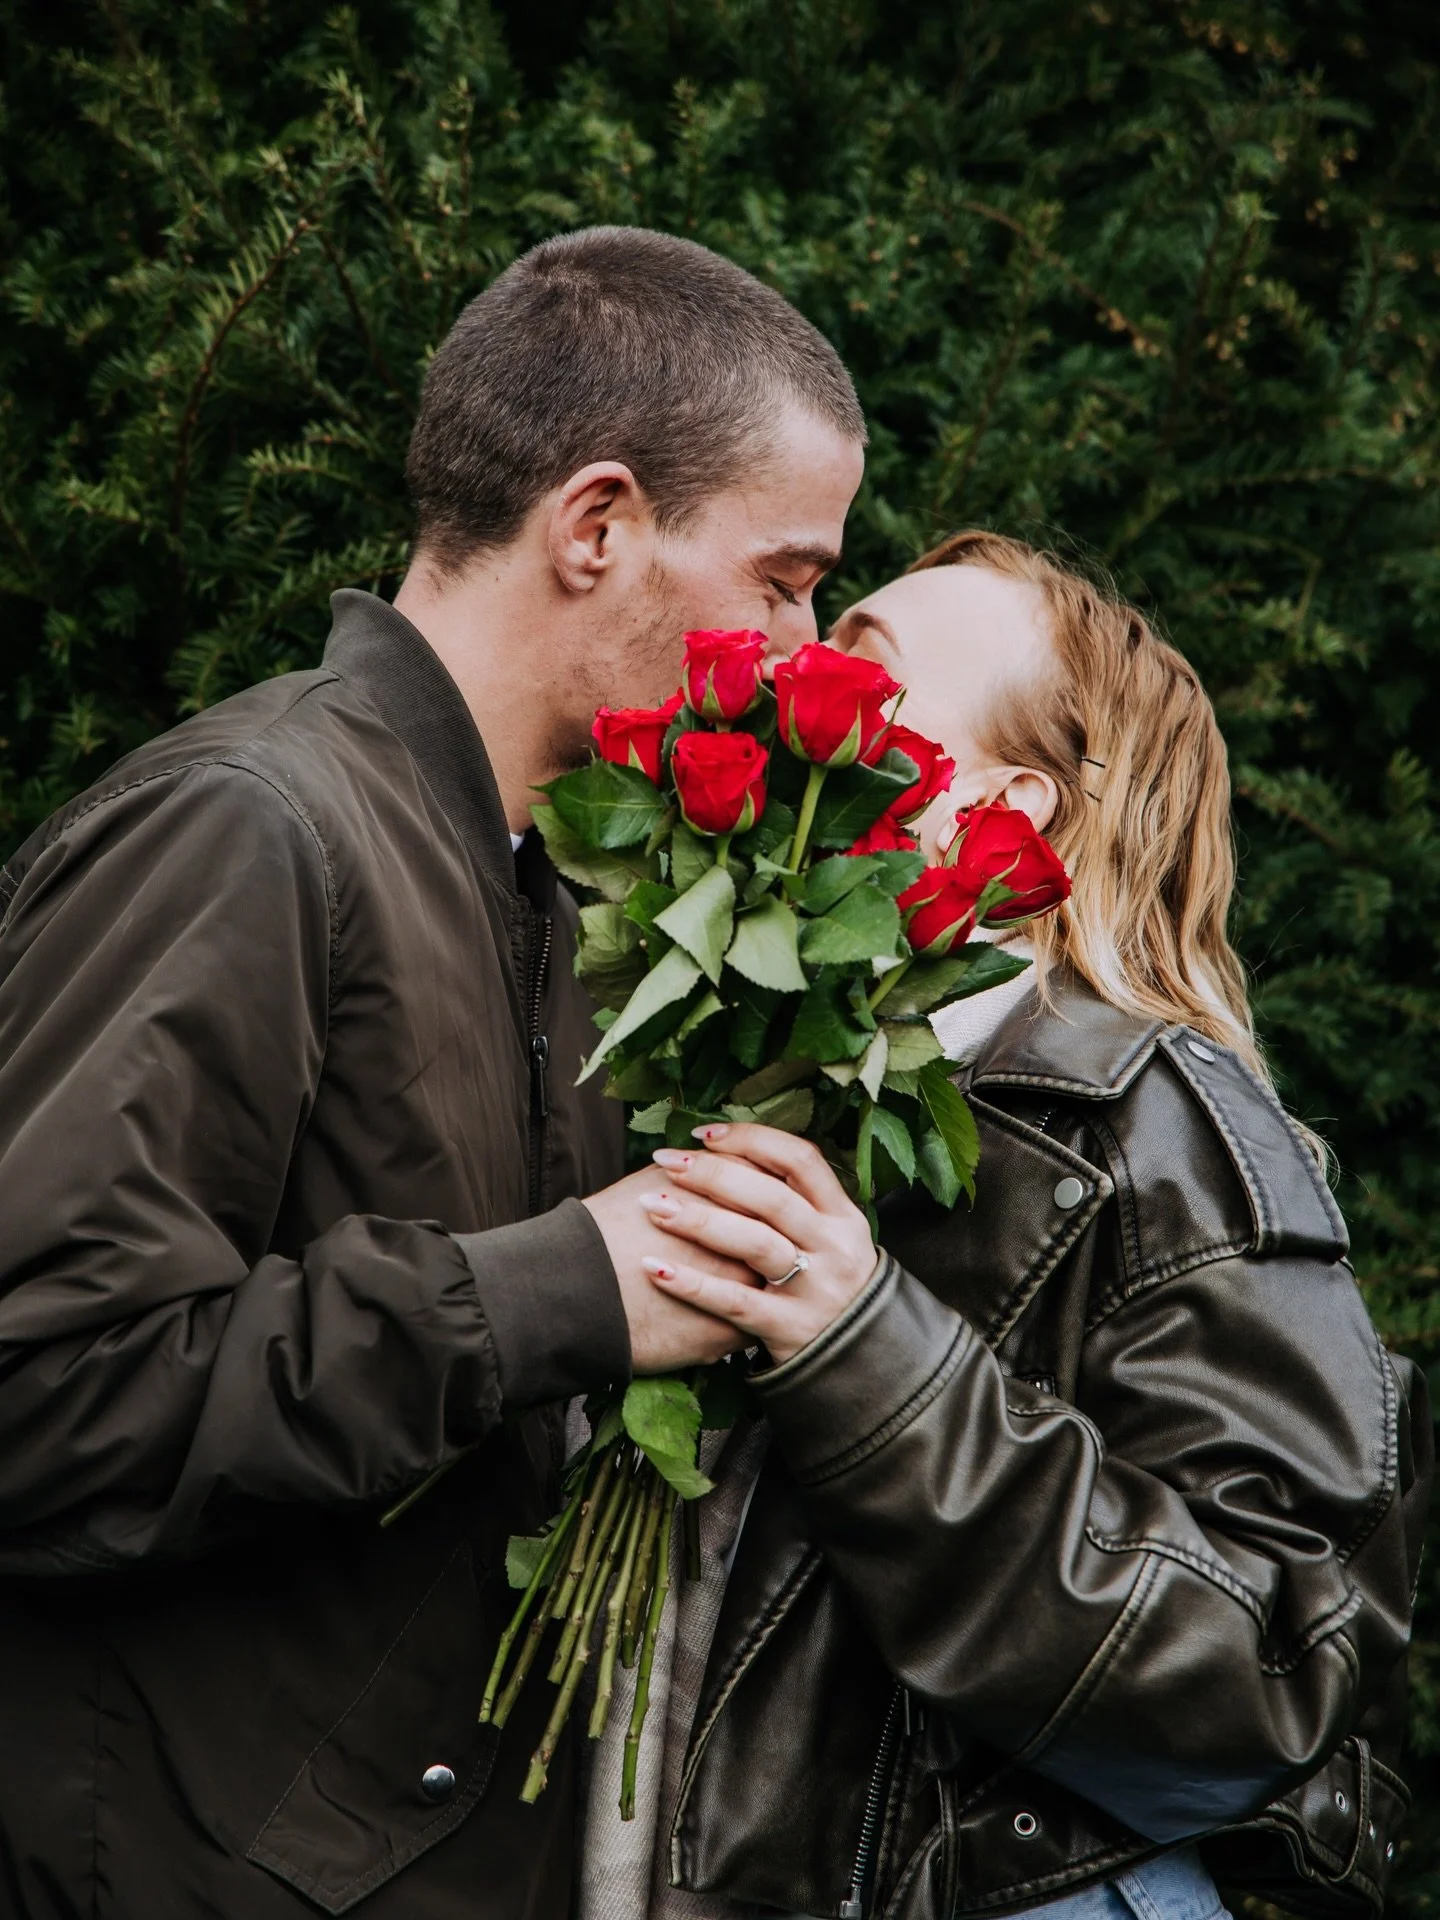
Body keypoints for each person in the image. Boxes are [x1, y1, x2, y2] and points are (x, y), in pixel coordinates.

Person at [0, 226, 865, 1918]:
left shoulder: (555, 884)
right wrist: (555, 1296)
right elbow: (40, 1395)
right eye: (784, 577)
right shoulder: (247, 827)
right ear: (598, 524)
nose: (802, 635)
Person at [612, 532, 1430, 1920]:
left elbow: (1267, 1671)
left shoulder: (1171, 1127)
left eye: (864, 668)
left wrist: (870, 1355)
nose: (797, 669)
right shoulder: (780, 1065)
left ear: (1012, 803)